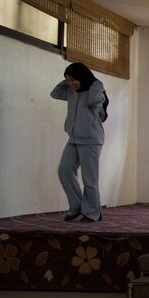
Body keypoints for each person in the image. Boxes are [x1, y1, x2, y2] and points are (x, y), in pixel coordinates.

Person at [50, 62, 108, 223]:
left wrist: (96, 83)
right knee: (64, 170)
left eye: (73, 79)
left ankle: (93, 212)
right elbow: (55, 93)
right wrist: (67, 81)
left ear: (83, 77)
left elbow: (94, 102)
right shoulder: (71, 91)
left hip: (91, 139)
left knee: (89, 179)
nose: (71, 83)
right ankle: (77, 207)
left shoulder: (95, 89)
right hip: (74, 138)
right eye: (68, 80)